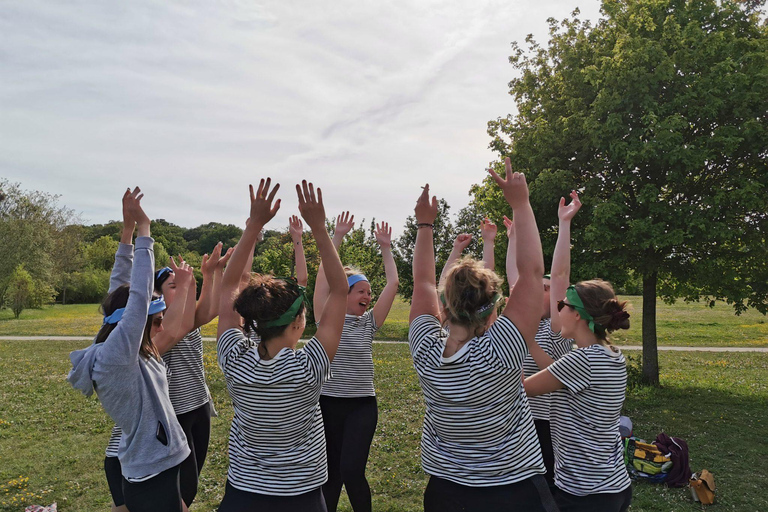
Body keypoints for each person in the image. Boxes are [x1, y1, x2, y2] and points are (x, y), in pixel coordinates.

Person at [408, 160, 558, 512]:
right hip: (512, 491)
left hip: (445, 494)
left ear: (444, 308)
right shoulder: (502, 351)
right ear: (494, 307)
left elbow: (423, 283)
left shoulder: (425, 349)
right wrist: (521, 204)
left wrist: (424, 224)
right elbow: (533, 273)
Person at [216, 179, 348, 512]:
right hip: (301, 496)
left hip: (243, 494)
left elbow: (230, 282)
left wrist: (254, 224)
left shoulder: (234, 358)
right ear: (298, 323)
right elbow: (340, 290)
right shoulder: (308, 368)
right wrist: (319, 228)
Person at [68, 188, 191, 512]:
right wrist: (144, 229)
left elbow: (120, 290)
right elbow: (135, 296)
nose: (161, 328)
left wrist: (125, 230)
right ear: (134, 325)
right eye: (156, 321)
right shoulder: (116, 356)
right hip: (151, 471)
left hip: (156, 464)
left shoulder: (113, 343)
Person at [524, 193, 632, 512]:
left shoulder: (582, 361)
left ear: (579, 316)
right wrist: (564, 223)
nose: (559, 307)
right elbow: (554, 368)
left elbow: (524, 387)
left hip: (585, 494)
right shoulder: (608, 354)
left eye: (564, 305)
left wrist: (500, 350)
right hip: (612, 484)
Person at [312, 212, 399, 512]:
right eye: (361, 290)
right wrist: (335, 237)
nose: (368, 295)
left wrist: (386, 247)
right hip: (327, 403)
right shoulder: (327, 319)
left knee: (351, 470)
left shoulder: (369, 323)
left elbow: (394, 283)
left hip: (362, 405)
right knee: (331, 476)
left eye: (369, 293)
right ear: (344, 293)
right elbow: (324, 281)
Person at [154, 242, 232, 509]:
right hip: (174, 413)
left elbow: (210, 309)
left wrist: (210, 275)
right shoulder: (158, 325)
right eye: (174, 287)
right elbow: (192, 319)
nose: (183, 289)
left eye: (183, 284)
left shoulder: (187, 318)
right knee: (182, 487)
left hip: (199, 405)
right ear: (156, 295)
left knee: (191, 482)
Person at [510, 192, 581, 489]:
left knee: (545, 492)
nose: (540, 292)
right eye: (538, 288)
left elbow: (560, 274)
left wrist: (564, 225)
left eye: (546, 289)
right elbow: (518, 276)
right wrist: (514, 234)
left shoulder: (554, 328)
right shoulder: (521, 323)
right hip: (514, 419)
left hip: (545, 427)